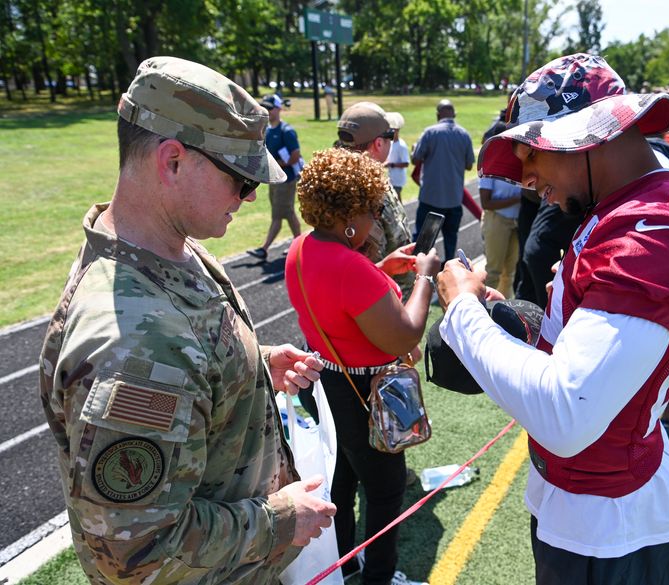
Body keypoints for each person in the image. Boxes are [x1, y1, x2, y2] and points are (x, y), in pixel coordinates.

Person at [38, 56, 334, 585]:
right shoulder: (138, 350)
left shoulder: (165, 246)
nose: (250, 197)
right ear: (172, 161)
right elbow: (135, 554)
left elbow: (188, 361)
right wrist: (280, 522)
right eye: (242, 180)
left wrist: (254, 365)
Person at [437, 53, 669, 585]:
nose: (524, 177)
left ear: (584, 139)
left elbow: (567, 415)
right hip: (585, 502)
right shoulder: (625, 200)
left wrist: (462, 311)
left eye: (532, 154)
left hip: (608, 521)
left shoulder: (656, 229)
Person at [286, 148, 440, 585]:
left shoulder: (302, 246)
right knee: (386, 490)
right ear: (351, 214)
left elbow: (337, 296)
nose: (376, 219)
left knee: (343, 481)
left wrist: (379, 269)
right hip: (365, 395)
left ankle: (345, 565)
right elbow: (405, 334)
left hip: (326, 384)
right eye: (373, 210)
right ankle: (379, 577)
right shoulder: (352, 267)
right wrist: (425, 275)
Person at [336, 101, 414, 297]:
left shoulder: (336, 179)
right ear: (378, 143)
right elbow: (368, 264)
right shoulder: (366, 191)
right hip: (382, 301)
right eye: (389, 137)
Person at [412, 98, 475, 263]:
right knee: (450, 240)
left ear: (437, 115)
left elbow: (416, 159)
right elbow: (469, 166)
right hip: (453, 199)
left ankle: (418, 275)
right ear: (454, 114)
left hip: (431, 199)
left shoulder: (429, 132)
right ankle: (448, 269)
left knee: (422, 243)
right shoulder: (464, 134)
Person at [247, 94, 302, 260]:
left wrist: (276, 164)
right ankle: (298, 245)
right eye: (265, 108)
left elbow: (295, 156)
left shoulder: (287, 131)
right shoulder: (268, 130)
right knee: (288, 212)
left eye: (270, 108)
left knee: (278, 215)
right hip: (274, 179)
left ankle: (264, 249)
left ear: (278, 109)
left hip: (286, 179)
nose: (267, 111)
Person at [479, 175, 521, 298]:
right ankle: (483, 309)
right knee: (493, 271)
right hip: (496, 219)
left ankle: (502, 310)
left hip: (517, 221)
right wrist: (517, 199)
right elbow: (485, 203)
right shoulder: (491, 162)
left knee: (509, 273)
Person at [384, 111, 411, 199]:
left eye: (393, 130)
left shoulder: (402, 145)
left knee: (397, 200)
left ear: (397, 131)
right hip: (391, 178)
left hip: (398, 179)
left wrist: (391, 164)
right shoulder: (391, 143)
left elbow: (406, 163)